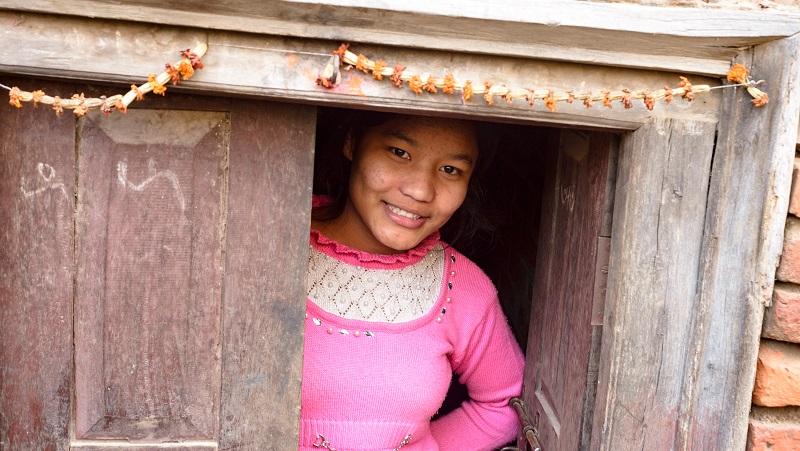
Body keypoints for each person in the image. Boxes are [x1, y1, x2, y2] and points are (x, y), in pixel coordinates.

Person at [300, 109, 525, 451]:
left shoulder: (461, 286)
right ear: (351, 142)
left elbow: (506, 404)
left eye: (450, 169)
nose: (421, 190)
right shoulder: (272, 247)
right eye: (399, 152)